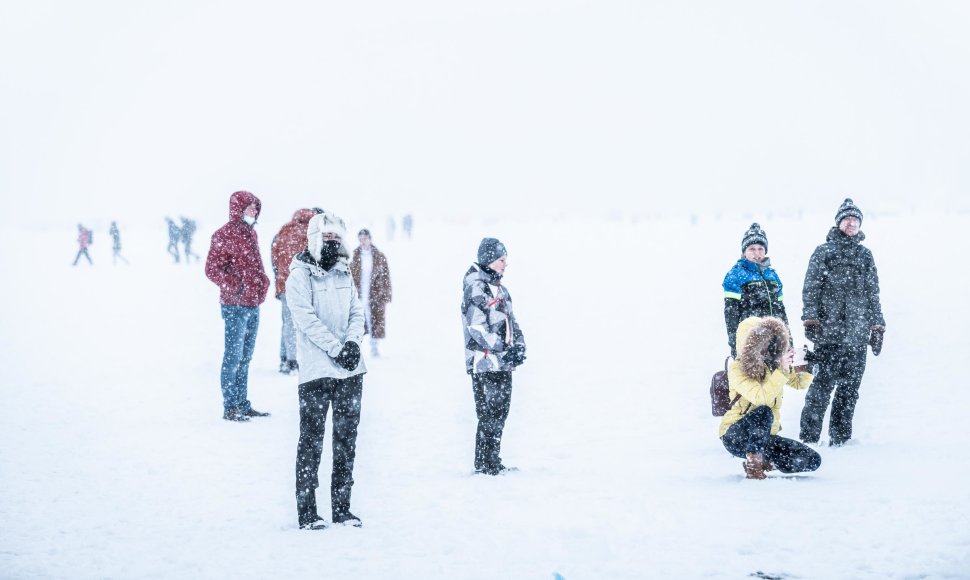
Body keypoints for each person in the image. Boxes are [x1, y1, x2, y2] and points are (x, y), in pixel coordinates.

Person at [287, 211, 367, 530]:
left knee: (346, 442)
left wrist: (352, 344)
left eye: (337, 238)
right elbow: (305, 320)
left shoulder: (344, 273)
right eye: (327, 238)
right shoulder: (299, 276)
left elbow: (356, 312)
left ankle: (342, 508)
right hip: (316, 371)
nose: (332, 244)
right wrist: (336, 349)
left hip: (350, 371)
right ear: (314, 239)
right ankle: (307, 512)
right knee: (311, 442)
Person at [799, 198, 886, 447]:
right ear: (839, 223)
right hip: (829, 334)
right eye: (847, 219)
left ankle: (841, 439)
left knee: (849, 391)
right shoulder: (824, 252)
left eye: (855, 220)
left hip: (857, 337)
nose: (851, 223)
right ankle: (809, 439)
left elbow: (873, 293)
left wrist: (877, 326)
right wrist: (811, 319)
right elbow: (811, 287)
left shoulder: (865, 255)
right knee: (821, 389)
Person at [719, 316, 821, 479]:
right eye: (762, 341)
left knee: (812, 460)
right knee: (763, 411)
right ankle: (754, 466)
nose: (767, 346)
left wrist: (805, 366)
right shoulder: (737, 368)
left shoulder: (773, 365)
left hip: (764, 437)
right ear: (749, 343)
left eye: (769, 341)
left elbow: (798, 384)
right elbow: (761, 398)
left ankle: (764, 462)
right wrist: (781, 371)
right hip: (735, 435)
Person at [204, 191, 272, 422]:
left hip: (253, 304)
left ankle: (242, 403)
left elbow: (255, 266)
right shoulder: (223, 234)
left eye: (256, 207)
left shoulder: (251, 233)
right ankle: (230, 406)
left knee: (245, 357)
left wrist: (262, 282)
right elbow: (211, 270)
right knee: (233, 357)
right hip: (234, 306)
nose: (255, 211)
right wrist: (236, 286)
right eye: (251, 207)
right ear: (238, 208)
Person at [461, 237, 527, 475]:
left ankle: (492, 459)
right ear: (489, 260)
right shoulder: (476, 288)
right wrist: (502, 347)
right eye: (501, 260)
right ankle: (484, 463)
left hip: (503, 362)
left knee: (501, 411)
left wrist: (519, 346)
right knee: (489, 413)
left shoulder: (502, 289)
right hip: (484, 362)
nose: (505, 264)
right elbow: (476, 328)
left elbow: (513, 322)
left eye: (505, 260)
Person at [722, 223, 790, 357]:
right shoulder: (735, 275)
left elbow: (781, 312)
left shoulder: (772, 275)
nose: (757, 253)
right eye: (752, 249)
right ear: (744, 251)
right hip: (751, 339)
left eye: (760, 249)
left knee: (777, 375)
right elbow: (731, 315)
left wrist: (788, 341)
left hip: (774, 339)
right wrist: (735, 345)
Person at [271, 208, 320, 374]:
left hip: (285, 284)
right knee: (300, 323)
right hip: (302, 285)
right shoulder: (311, 233)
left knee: (287, 323)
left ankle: (285, 359)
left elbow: (274, 257)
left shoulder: (284, 230)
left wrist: (280, 277)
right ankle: (292, 361)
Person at [350, 228, 392, 357]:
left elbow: (386, 277)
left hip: (375, 294)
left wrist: (386, 294)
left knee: (374, 320)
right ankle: (357, 347)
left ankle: (374, 347)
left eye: (365, 239)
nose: (363, 242)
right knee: (357, 320)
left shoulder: (379, 256)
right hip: (358, 293)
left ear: (370, 239)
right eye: (360, 239)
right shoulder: (354, 255)